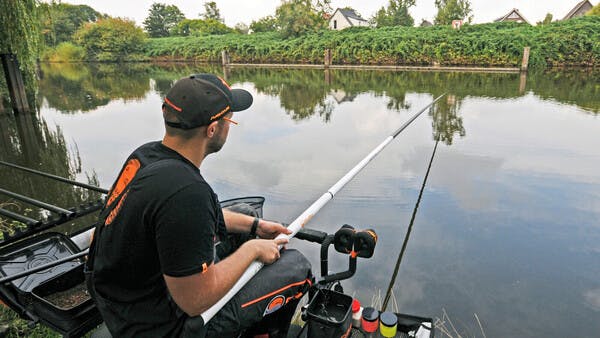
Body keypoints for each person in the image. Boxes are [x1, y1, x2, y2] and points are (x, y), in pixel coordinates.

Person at [85, 74, 312, 338]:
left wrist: (256, 226)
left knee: (245, 215)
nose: (230, 127)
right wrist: (251, 251)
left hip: (125, 297)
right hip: (160, 325)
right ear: (213, 129)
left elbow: (194, 215)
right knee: (296, 268)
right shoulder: (187, 192)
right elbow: (195, 301)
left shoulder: (147, 155)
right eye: (229, 120)